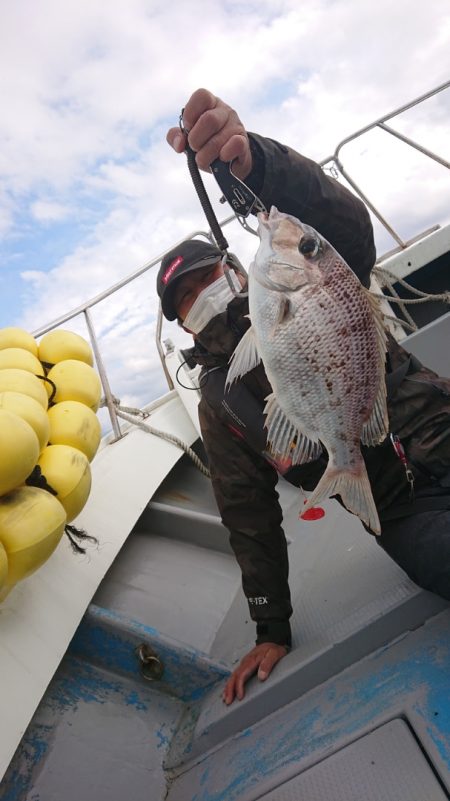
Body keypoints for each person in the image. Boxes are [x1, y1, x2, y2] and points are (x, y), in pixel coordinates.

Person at [157, 88, 450, 706]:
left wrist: (256, 166)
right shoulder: (220, 402)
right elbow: (246, 511)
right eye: (185, 299)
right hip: (403, 510)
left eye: (207, 276)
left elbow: (342, 231)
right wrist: (271, 626)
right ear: (181, 324)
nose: (202, 296)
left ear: (236, 267)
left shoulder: (312, 273)